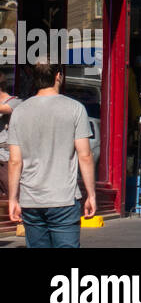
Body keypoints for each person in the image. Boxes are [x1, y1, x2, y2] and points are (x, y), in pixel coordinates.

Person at [6, 63, 95, 248]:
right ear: (58, 76)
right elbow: (84, 155)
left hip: (31, 199)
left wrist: (13, 198)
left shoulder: (19, 112)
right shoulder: (75, 108)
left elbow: (15, 161)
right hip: (63, 197)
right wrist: (91, 195)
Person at [0, 75, 21, 230]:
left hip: (7, 158)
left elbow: (5, 109)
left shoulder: (14, 101)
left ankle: (20, 223)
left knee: (12, 192)